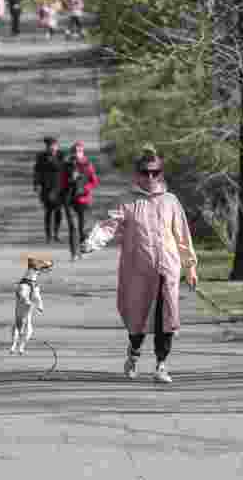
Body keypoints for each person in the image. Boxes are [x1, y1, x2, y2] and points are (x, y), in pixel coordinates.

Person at [81, 146, 198, 384]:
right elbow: (108, 226)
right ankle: (134, 354)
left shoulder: (170, 201)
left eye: (156, 172)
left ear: (161, 173)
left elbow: (183, 236)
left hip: (167, 269)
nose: (151, 177)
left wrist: (191, 266)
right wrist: (91, 243)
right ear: (137, 174)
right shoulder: (126, 202)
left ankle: (161, 365)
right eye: (146, 172)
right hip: (137, 271)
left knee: (167, 317)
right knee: (137, 318)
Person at [59, 139, 99, 259]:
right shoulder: (66, 166)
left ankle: (82, 250)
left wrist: (85, 188)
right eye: (75, 151)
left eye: (79, 151)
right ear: (72, 152)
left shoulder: (88, 165)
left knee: (82, 229)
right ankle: (74, 253)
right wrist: (68, 184)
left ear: (83, 152)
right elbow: (62, 182)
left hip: (83, 200)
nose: (77, 153)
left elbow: (94, 181)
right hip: (69, 199)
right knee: (73, 227)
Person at [33, 136, 64, 243]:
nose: (52, 148)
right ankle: (48, 236)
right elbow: (37, 171)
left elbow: (64, 168)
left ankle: (56, 234)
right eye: (49, 146)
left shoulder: (61, 155)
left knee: (59, 212)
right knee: (49, 211)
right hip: (46, 187)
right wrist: (36, 184)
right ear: (46, 147)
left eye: (54, 146)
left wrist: (54, 160)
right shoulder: (41, 156)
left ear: (57, 146)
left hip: (60, 187)